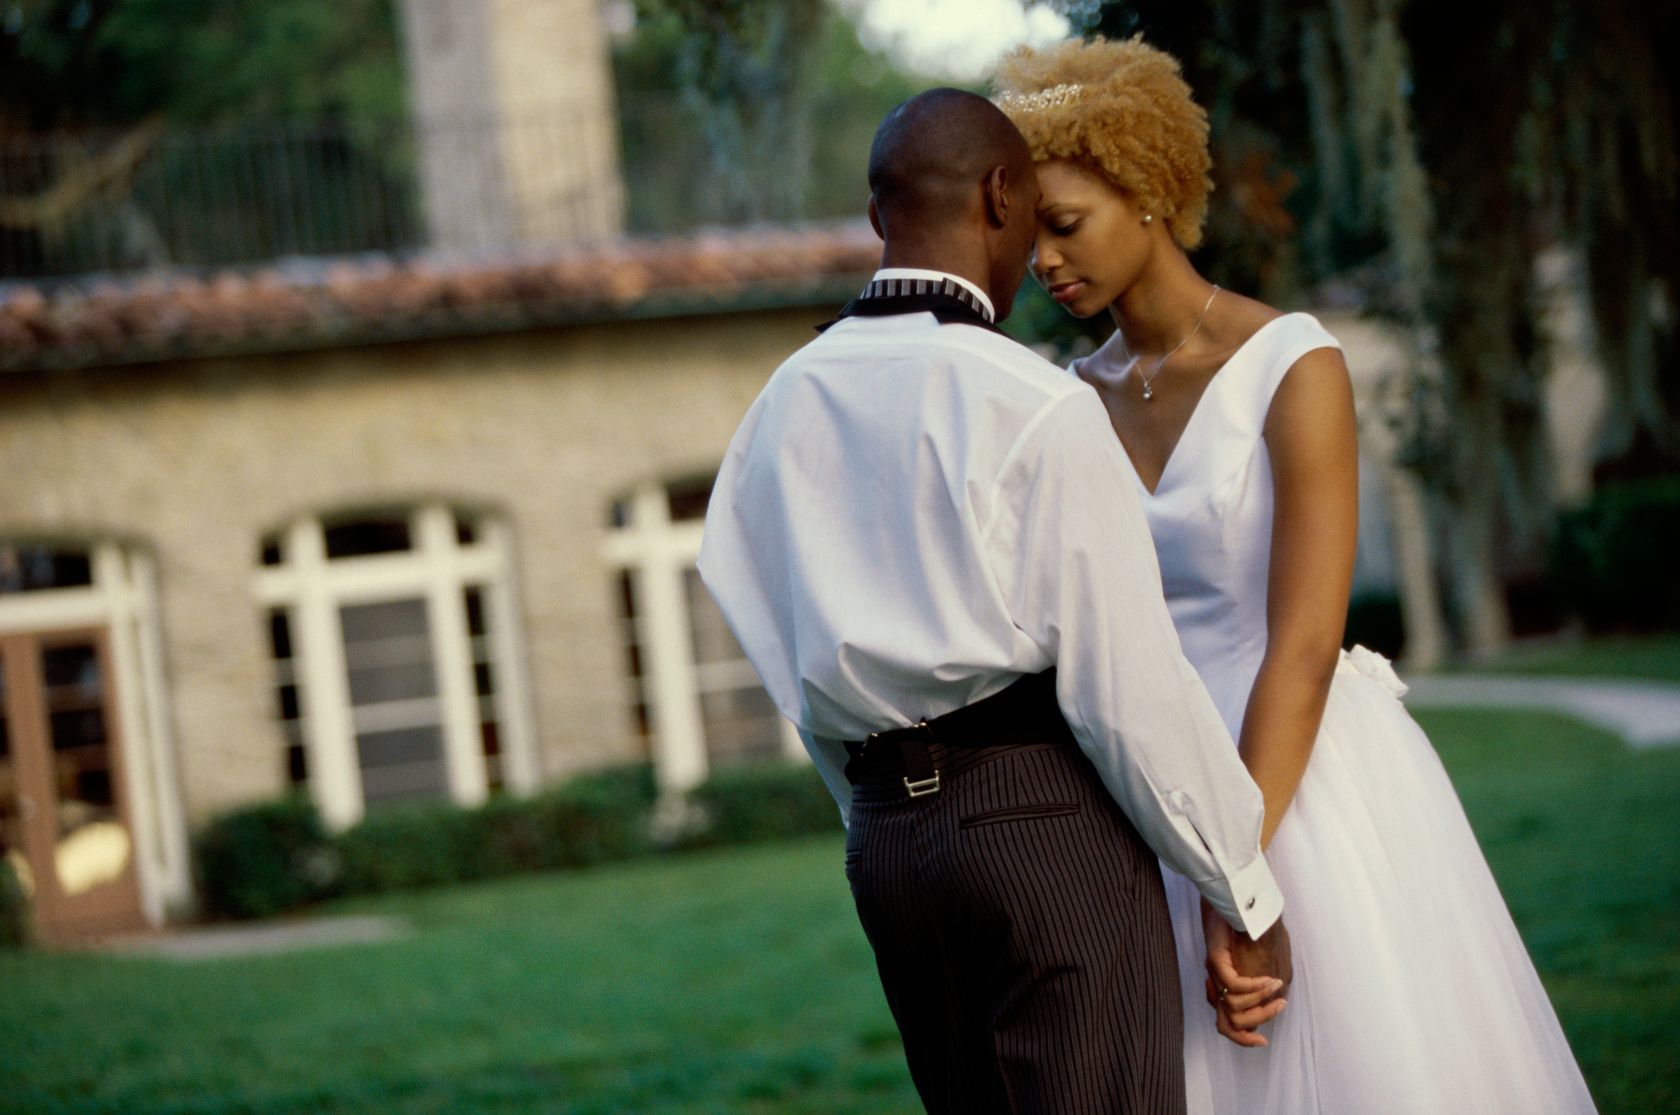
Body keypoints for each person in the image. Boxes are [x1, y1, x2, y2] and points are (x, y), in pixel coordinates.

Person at [995, 36, 1599, 1114]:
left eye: (1064, 223)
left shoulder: (1293, 363)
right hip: (1148, 786)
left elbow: (1306, 643)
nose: (1042, 258)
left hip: (1302, 774)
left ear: (1147, 192)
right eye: (1025, 230)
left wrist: (1242, 868)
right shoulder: (1060, 402)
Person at [698, 87, 1292, 1114]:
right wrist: (1242, 885)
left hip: (886, 849)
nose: (1040, 256)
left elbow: (781, 656)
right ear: (1000, 195)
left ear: (882, 215)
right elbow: (1126, 688)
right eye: (1034, 222)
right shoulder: (1034, 402)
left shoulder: (776, 408)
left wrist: (878, 813)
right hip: (1041, 830)